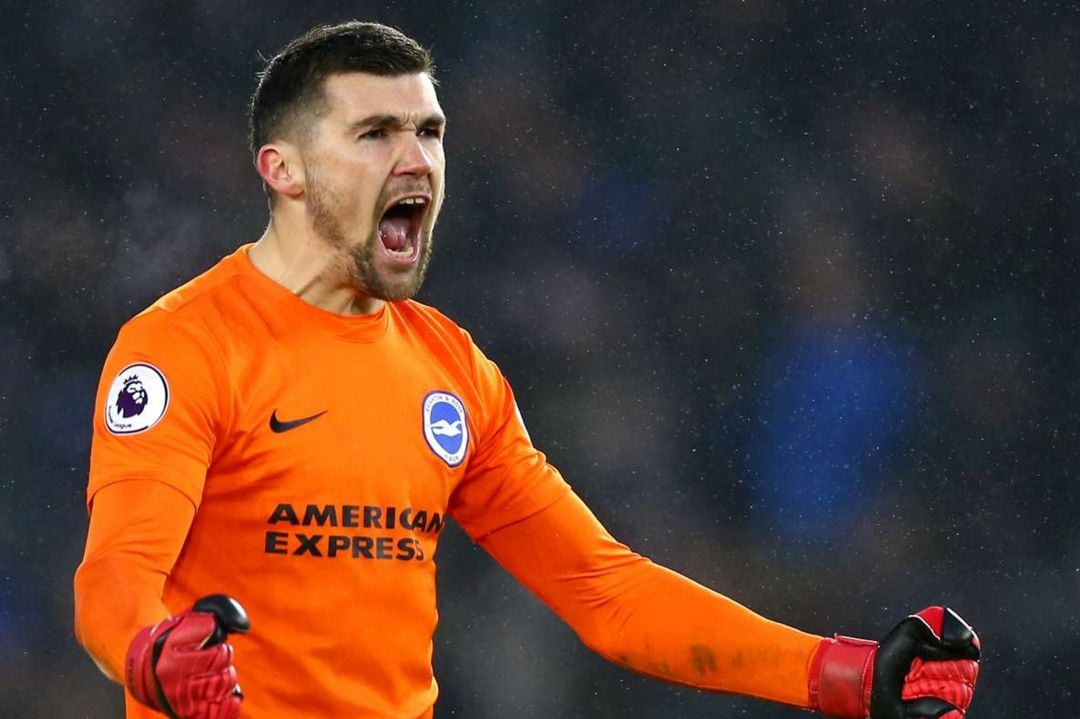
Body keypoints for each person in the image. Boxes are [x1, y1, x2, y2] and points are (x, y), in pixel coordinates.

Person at [73, 21, 980, 719]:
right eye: (376, 133)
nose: (416, 159)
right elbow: (113, 573)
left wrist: (845, 677)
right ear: (285, 170)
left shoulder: (451, 370)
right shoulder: (185, 345)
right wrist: (154, 650)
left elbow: (606, 589)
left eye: (428, 132)